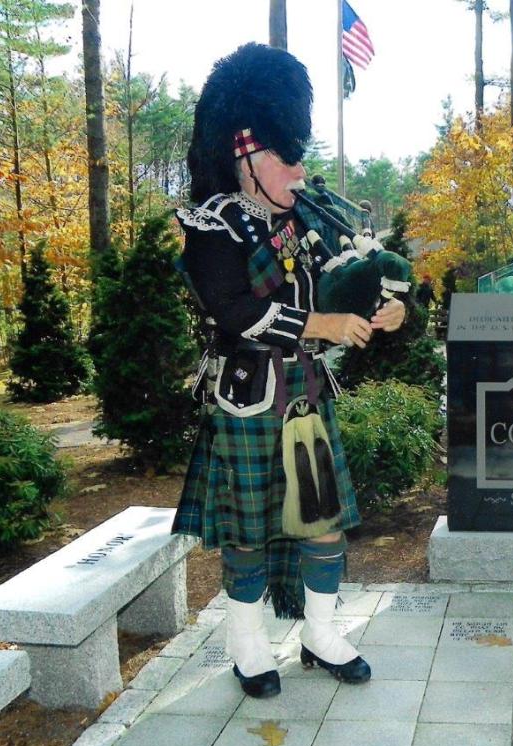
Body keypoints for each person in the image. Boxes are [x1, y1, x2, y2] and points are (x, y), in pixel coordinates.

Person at [173, 44, 409, 698]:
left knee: (322, 520)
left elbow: (365, 271)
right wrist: (322, 326)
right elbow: (232, 310)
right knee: (248, 531)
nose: (297, 169)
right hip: (247, 398)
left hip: (306, 395)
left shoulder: (309, 215)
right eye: (284, 156)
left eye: (299, 154)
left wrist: (385, 307)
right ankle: (246, 643)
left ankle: (319, 632)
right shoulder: (212, 225)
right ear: (243, 152)